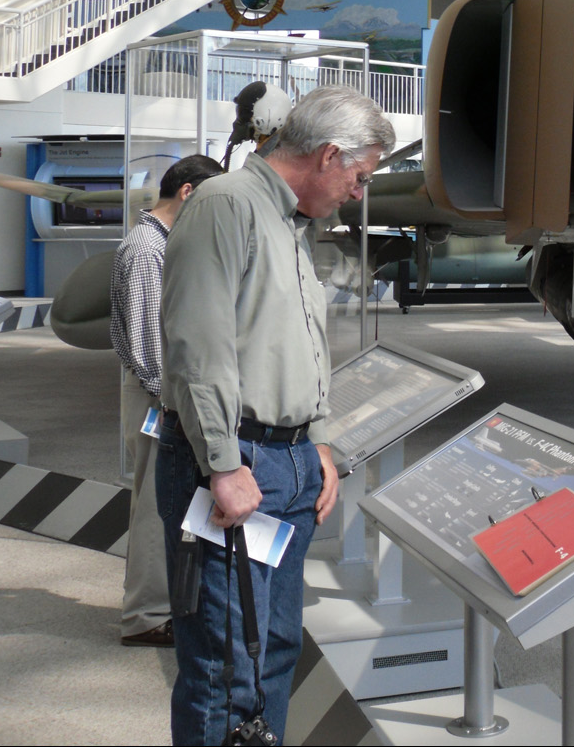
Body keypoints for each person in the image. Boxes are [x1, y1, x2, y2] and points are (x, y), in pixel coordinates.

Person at [156, 85, 394, 745]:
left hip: (283, 463)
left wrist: (314, 442)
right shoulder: (227, 205)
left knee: (273, 652)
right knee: (227, 663)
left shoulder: (287, 222)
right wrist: (223, 463)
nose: (358, 190)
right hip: (233, 461)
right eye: (359, 174)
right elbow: (198, 347)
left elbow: (293, 346)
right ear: (326, 155)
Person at [111, 153, 224, 648]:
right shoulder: (145, 250)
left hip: (164, 393)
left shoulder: (162, 243)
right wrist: (175, 402)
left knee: (160, 503)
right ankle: (147, 614)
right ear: (188, 193)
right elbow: (145, 343)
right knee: (155, 507)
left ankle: (156, 606)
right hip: (158, 395)